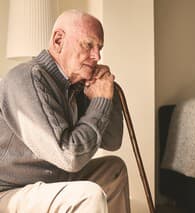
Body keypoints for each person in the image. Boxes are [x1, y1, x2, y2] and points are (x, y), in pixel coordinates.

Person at [0, 9, 130, 213]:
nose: (96, 56)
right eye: (88, 45)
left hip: (49, 180)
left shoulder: (75, 84)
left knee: (114, 169)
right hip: (10, 190)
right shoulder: (25, 78)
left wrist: (106, 95)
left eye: (99, 48)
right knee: (89, 195)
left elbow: (113, 141)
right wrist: (101, 101)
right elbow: (71, 157)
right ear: (58, 40)